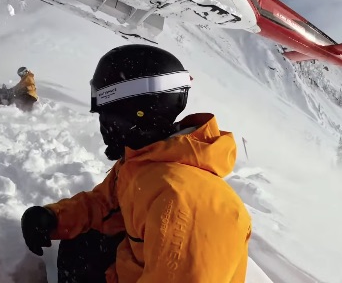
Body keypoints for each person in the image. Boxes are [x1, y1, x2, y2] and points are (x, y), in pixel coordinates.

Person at [20, 45, 251, 283]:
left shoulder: (182, 202)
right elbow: (106, 205)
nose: (103, 126)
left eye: (107, 115)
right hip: (129, 268)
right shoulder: (145, 161)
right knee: (82, 242)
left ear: (138, 112)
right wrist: (53, 217)